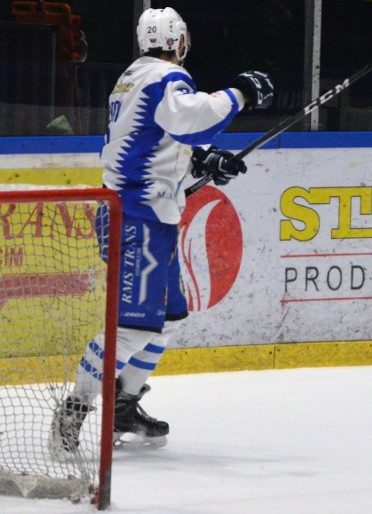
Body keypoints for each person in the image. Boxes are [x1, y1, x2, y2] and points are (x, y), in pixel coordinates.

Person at [50, 7, 273, 453]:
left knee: (167, 320)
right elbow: (190, 118)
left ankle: (123, 406)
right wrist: (242, 93)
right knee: (130, 329)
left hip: (151, 215)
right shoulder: (170, 80)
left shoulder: (135, 77)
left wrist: (208, 157)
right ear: (176, 41)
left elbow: (161, 137)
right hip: (138, 218)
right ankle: (71, 414)